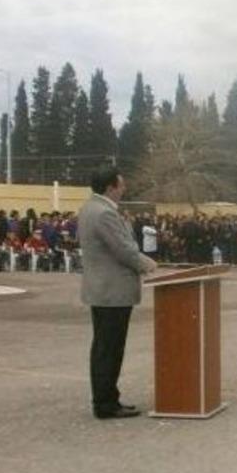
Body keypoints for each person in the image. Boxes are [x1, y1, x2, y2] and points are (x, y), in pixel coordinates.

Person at [78, 166, 157, 420]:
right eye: (121, 185)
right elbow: (123, 249)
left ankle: (108, 398)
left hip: (103, 290)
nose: (124, 189)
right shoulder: (103, 213)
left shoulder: (91, 208)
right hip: (112, 291)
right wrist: (148, 264)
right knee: (109, 348)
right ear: (111, 187)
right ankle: (105, 403)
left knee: (105, 347)